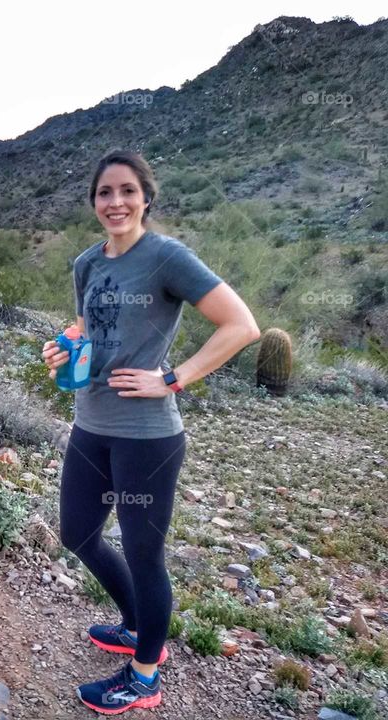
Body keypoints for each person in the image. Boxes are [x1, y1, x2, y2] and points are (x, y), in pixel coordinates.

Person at [41, 150, 260, 714]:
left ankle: (144, 676)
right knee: (78, 535)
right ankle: (138, 625)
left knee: (144, 554)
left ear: (145, 198)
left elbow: (241, 325)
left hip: (148, 437)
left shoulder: (166, 258)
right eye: (104, 193)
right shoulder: (88, 263)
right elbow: (91, 326)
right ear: (93, 202)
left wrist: (174, 377)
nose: (115, 202)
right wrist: (63, 348)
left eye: (127, 191)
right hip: (91, 424)